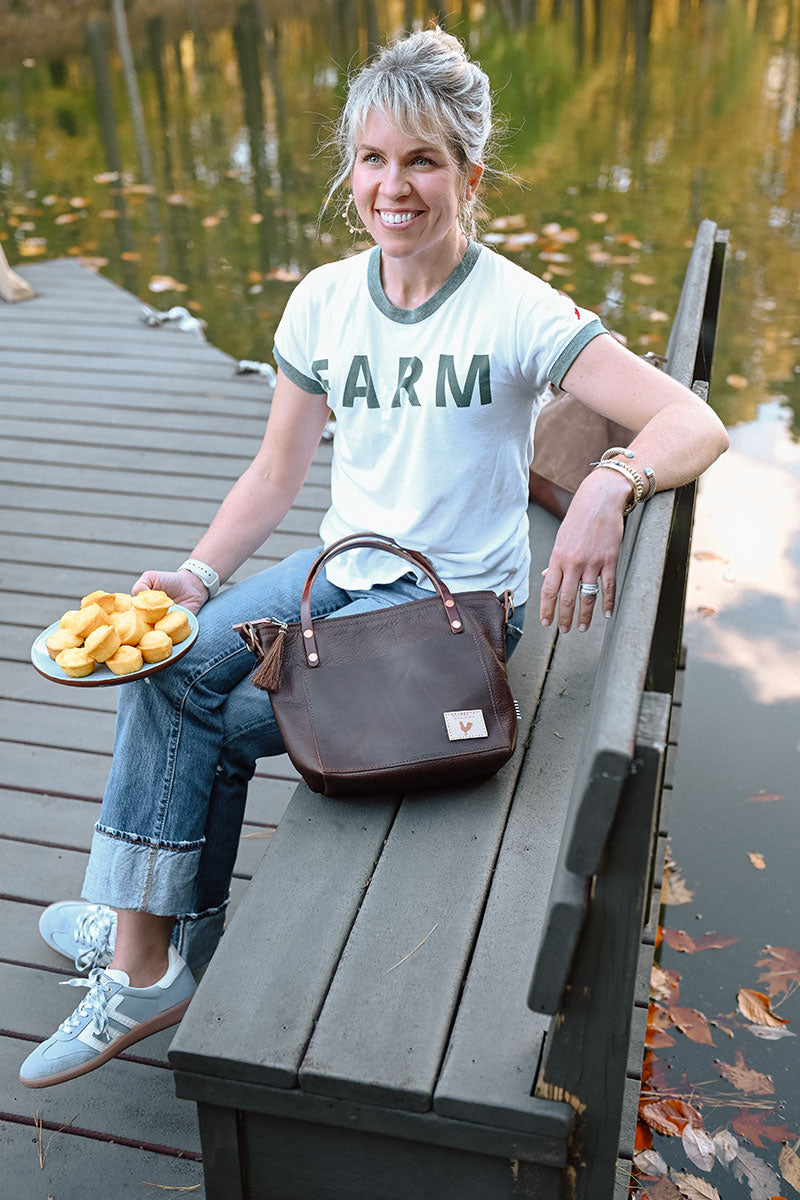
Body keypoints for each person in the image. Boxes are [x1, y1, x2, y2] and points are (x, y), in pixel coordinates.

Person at [19, 27, 728, 1089]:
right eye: (372, 158)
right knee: (162, 666)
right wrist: (200, 578)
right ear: (349, 167)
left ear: (467, 176)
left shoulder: (514, 307)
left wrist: (605, 484)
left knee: (186, 712)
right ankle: (157, 949)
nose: (392, 187)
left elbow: (691, 422)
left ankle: (146, 948)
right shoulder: (321, 302)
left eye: (422, 161)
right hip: (338, 578)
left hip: (450, 620)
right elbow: (273, 472)